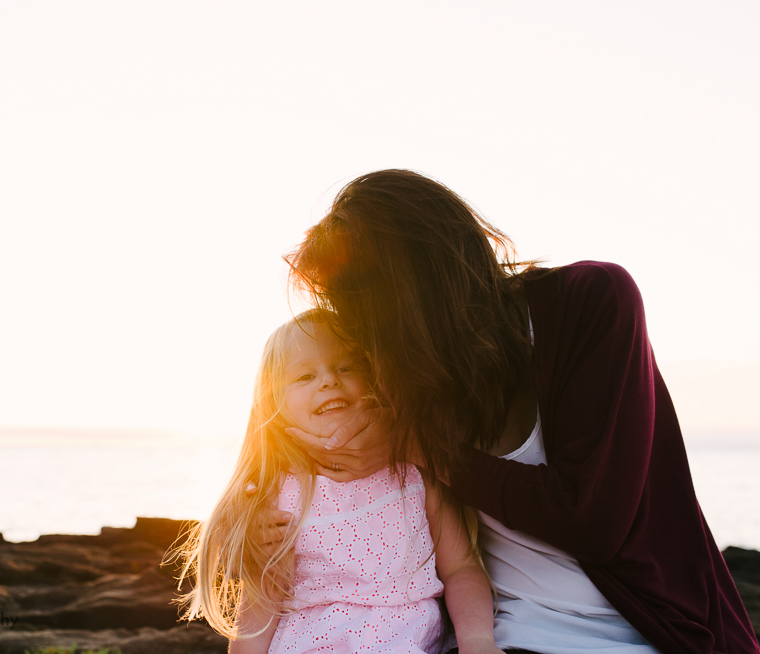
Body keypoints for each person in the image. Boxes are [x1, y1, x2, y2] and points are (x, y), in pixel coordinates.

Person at [282, 169, 759, 654]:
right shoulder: (404, 376)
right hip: (500, 634)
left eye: (365, 305)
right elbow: (329, 462)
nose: (363, 332)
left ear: (420, 284)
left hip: (651, 631)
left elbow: (593, 522)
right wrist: (263, 532)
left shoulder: (593, 300)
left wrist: (421, 448)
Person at [176, 309, 503, 654]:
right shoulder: (276, 499)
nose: (329, 381)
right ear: (274, 402)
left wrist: (477, 641)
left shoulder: (414, 473)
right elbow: (259, 610)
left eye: (345, 367)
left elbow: (462, 568)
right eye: (304, 376)